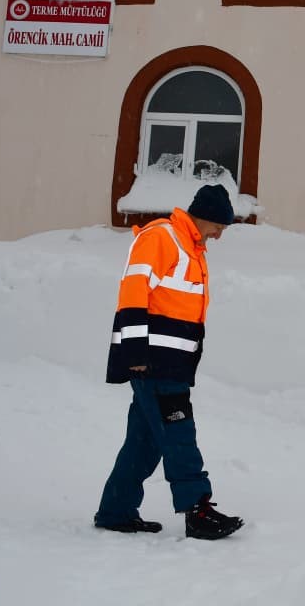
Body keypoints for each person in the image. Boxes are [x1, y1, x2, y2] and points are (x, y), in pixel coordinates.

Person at [93, 184, 245, 540]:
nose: (219, 235)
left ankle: (116, 511)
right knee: (179, 435)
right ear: (204, 217)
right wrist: (135, 354)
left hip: (170, 362)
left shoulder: (190, 247)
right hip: (154, 362)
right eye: (218, 227)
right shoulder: (162, 238)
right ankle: (197, 511)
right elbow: (133, 291)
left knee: (143, 442)